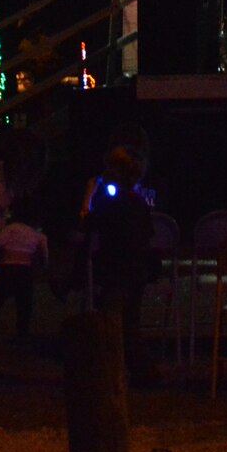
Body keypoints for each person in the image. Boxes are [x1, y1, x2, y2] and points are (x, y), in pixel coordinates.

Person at [84, 146, 162, 384]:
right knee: (129, 324)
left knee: (112, 323)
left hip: (116, 269)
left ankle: (113, 372)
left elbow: (88, 223)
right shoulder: (137, 202)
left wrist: (88, 196)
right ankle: (143, 372)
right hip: (136, 270)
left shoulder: (110, 201)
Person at [0, 215, 48, 339]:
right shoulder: (38, 235)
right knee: (24, 303)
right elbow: (44, 256)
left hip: (7, 267)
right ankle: (22, 333)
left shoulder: (11, 228)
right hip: (25, 270)